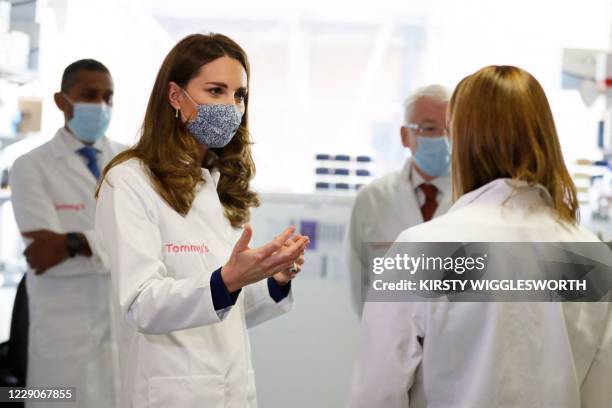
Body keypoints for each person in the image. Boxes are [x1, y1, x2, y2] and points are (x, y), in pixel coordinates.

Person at [348, 66, 612, 407]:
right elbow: (602, 393)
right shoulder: (590, 254)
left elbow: (376, 395)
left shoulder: (422, 248)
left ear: (463, 142)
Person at [95, 33, 309, 408]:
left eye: (239, 95)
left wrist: (272, 277)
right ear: (176, 96)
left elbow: (226, 310)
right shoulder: (130, 181)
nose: (231, 106)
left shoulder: (217, 182)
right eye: (215, 91)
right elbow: (140, 304)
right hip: (168, 393)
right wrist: (226, 279)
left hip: (233, 391)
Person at [10, 59, 125, 407]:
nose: (101, 106)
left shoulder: (130, 163)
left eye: (108, 97)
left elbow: (147, 242)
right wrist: (115, 246)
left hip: (120, 339)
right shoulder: (30, 167)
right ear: (62, 101)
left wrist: (76, 243)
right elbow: (45, 254)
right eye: (90, 95)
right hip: (61, 346)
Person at [346, 84, 452, 316]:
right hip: (391, 341)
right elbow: (359, 285)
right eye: (429, 128)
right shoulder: (372, 199)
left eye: (450, 129)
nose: (442, 139)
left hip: (457, 345)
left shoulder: (473, 197)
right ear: (405, 136)